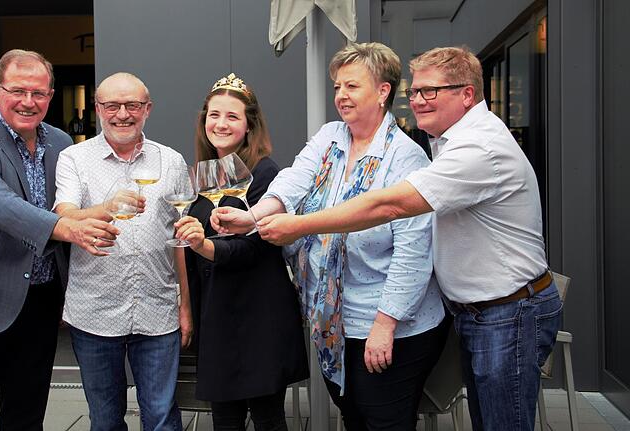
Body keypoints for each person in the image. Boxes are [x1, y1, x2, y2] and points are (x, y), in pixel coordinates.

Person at [220, 46, 562, 431]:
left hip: (493, 313)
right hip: (362, 318)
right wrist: (254, 216)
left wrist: (300, 226)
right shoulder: (354, 137)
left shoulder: (461, 149)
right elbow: (293, 180)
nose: (417, 101)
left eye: (430, 92)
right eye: (415, 92)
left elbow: (397, 222)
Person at [213, 44, 450, 430]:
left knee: (384, 421)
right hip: (333, 322)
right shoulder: (331, 136)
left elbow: (413, 255)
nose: (340, 95)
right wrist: (252, 217)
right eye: (337, 86)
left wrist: (385, 325)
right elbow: (292, 180)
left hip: (389, 322)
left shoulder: (406, 159)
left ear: (383, 92)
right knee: (353, 416)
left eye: (352, 86)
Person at [0, 49, 119, 430]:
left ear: (51, 96)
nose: (29, 102)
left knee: (27, 415)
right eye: (18, 91)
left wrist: (110, 207)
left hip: (40, 300)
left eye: (39, 93)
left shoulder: (63, 143)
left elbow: (71, 202)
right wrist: (69, 230)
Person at [54, 72, 193, 431]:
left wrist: (185, 306)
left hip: (158, 310)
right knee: (105, 420)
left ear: (147, 109)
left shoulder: (171, 161)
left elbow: (178, 237)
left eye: (132, 105)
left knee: (162, 417)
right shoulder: (74, 158)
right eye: (112, 105)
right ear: (98, 109)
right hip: (94, 311)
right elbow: (63, 215)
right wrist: (106, 207)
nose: (122, 114)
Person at [173, 73, 309, 431]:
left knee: (267, 419)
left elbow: (251, 248)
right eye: (214, 115)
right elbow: (187, 251)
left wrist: (202, 244)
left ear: (249, 125)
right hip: (217, 313)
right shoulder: (205, 173)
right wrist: (186, 304)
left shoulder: (265, 172)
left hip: (258, 313)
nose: (221, 123)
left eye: (232, 116)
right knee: (224, 420)